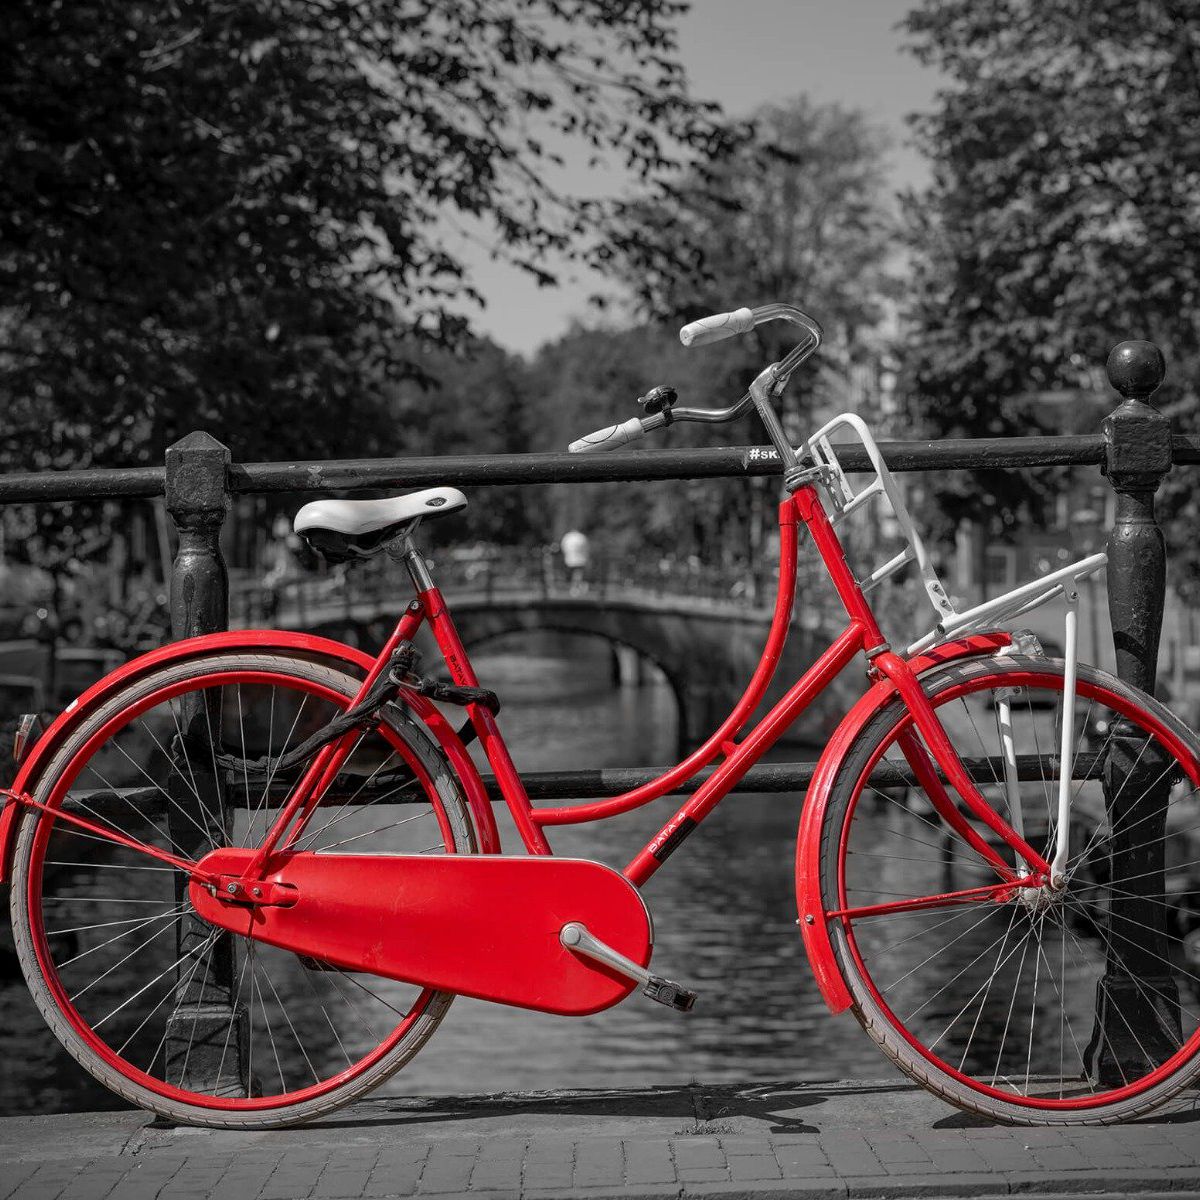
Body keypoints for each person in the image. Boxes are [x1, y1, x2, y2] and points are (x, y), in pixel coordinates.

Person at [560, 529, 589, 595]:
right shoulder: (582, 537)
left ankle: (575, 588)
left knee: (575, 574)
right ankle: (575, 588)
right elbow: (586, 548)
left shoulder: (567, 537)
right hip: (580, 559)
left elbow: (563, 547)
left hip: (569, 558)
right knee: (578, 573)